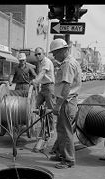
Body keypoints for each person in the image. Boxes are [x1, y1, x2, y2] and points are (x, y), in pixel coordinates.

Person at [48, 38, 82, 169]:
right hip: (68, 102)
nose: (54, 56)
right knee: (61, 130)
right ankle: (61, 154)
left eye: (55, 53)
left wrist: (58, 105)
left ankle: (68, 160)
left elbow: (66, 87)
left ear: (62, 51)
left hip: (66, 102)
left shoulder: (68, 64)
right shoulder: (69, 62)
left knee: (65, 132)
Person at [31, 47, 55, 132]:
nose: (37, 56)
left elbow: (42, 73)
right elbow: (40, 76)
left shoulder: (46, 62)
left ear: (43, 53)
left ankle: (51, 128)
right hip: (43, 87)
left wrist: (36, 81)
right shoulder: (40, 63)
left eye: (39, 54)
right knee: (35, 106)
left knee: (49, 109)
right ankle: (44, 125)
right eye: (36, 54)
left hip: (49, 87)